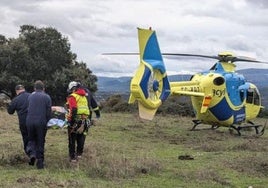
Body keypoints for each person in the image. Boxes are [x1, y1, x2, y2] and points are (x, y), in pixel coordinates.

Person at [26, 80, 52, 169]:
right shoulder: (47, 97)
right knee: (40, 140)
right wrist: (47, 121)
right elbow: (49, 112)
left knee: (31, 139)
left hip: (29, 121)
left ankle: (32, 154)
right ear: (43, 88)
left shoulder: (30, 97)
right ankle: (40, 162)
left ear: (34, 88)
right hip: (41, 121)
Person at [66, 81, 92, 162]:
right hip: (85, 120)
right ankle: (79, 154)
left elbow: (73, 109)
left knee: (72, 139)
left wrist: (71, 120)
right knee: (81, 137)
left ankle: (72, 157)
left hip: (75, 120)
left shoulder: (72, 96)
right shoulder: (83, 96)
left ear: (72, 89)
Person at [7, 84, 31, 159]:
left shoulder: (16, 99)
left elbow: (10, 111)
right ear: (24, 89)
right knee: (34, 136)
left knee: (26, 137)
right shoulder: (31, 96)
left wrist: (9, 104)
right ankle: (36, 152)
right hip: (34, 120)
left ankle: (29, 153)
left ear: (17, 91)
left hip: (23, 122)